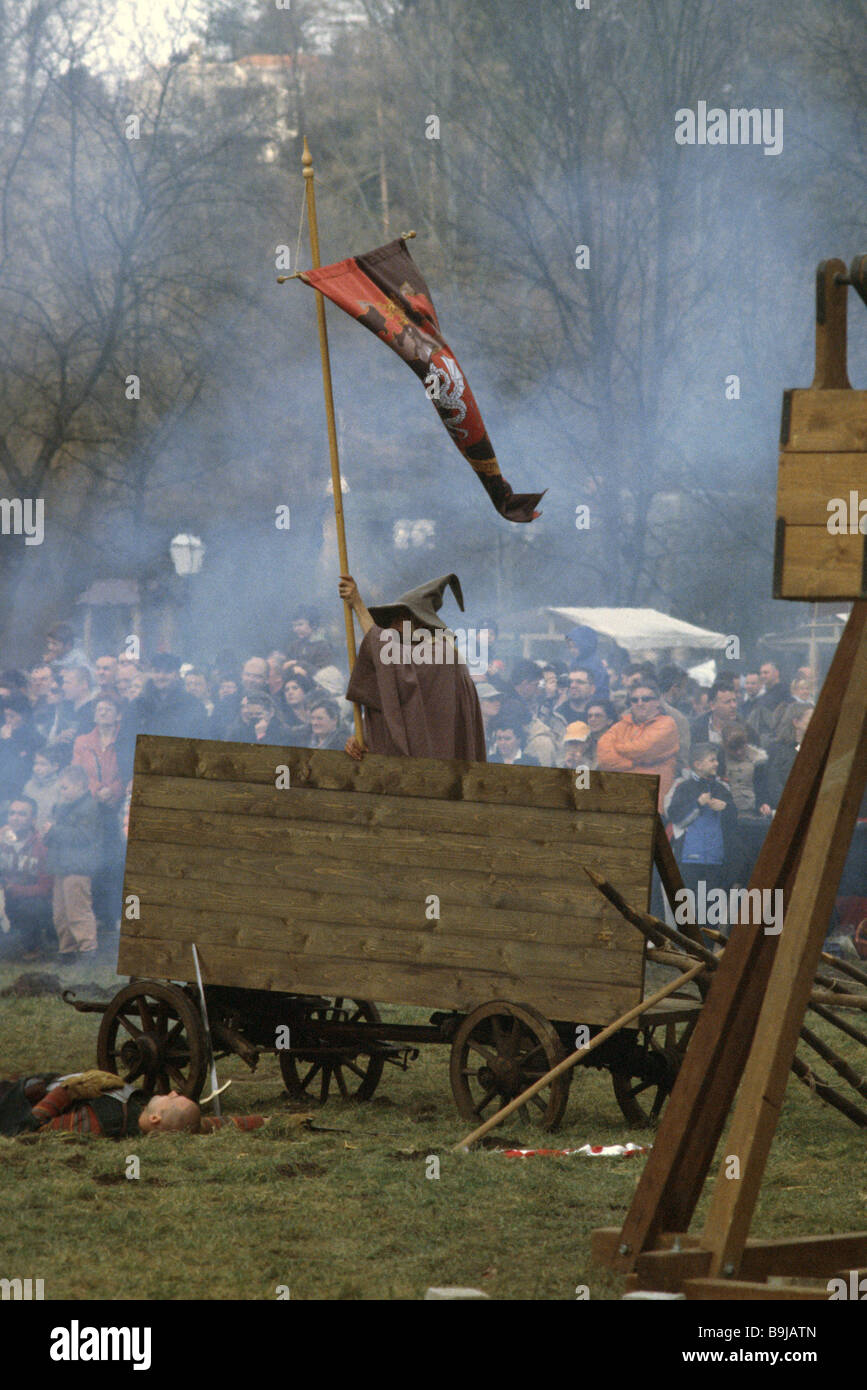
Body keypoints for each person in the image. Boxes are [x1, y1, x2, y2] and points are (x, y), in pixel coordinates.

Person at [339, 573, 487, 761]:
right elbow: (395, 704)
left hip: (440, 771)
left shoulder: (442, 656)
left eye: (399, 619)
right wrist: (364, 739)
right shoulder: (415, 662)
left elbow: (389, 657)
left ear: (419, 622)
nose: (391, 627)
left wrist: (358, 605)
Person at [0, 1073, 265, 1138]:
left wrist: (67, 1091)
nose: (172, 1091)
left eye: (174, 1099)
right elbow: (214, 1124)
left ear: (156, 1119)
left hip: (11, 1104)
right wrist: (267, 1121)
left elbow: (32, 1127)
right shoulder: (172, 1124)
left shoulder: (100, 1120)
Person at [665, 744, 738, 920]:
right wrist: (697, 804)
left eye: (717, 760)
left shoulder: (722, 788)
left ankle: (707, 945)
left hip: (716, 859)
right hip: (688, 859)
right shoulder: (683, 787)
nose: (716, 763)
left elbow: (734, 820)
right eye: (712, 760)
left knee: (712, 912)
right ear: (698, 764)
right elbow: (675, 816)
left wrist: (725, 808)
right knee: (686, 910)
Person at [42, 764, 103, 958]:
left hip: (78, 868)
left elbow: (84, 836)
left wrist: (54, 831)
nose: (61, 791)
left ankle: (88, 949)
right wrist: (48, 833)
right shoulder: (63, 807)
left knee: (78, 911)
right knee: (60, 913)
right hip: (61, 866)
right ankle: (67, 949)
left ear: (80, 785)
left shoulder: (89, 807)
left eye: (65, 787)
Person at [596, 682, 680, 809]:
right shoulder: (621, 724)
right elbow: (603, 757)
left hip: (652, 801)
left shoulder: (667, 724)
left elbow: (644, 749)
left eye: (646, 699)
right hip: (620, 801)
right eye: (634, 700)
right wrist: (632, 763)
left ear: (657, 702)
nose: (640, 703)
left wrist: (618, 748)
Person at [0, 797, 52, 959]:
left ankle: (33, 947)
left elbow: (46, 888)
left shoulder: (43, 844)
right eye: (12, 813)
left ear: (33, 819)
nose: (15, 818)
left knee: (31, 907)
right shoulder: (1, 839)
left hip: (33, 899)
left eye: (22, 814)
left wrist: (14, 890)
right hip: (5, 894)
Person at [22, 745, 62, 833]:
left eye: (43, 764)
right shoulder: (29, 785)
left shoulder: (60, 788)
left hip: (49, 837)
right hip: (29, 836)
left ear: (55, 766)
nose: (37, 768)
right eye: (36, 763)